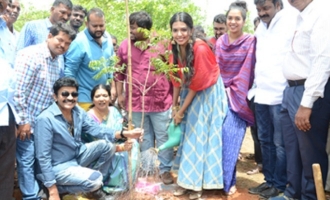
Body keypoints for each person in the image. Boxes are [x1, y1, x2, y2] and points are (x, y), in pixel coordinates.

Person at [34, 77, 144, 200]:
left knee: (107, 146)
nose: (70, 97)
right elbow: (43, 157)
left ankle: (94, 186)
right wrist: (52, 189)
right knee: (95, 180)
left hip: (76, 157)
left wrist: (125, 134)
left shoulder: (77, 111)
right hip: (58, 166)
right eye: (65, 94)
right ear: (55, 97)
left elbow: (97, 130)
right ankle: (51, 189)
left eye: (73, 94)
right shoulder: (45, 119)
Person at [270, 0, 330, 199]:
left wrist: (307, 103)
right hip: (290, 90)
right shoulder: (298, 17)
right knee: (292, 149)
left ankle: (310, 196)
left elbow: (323, 60)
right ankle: (292, 193)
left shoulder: (322, 13)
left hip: (309, 92)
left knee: (310, 151)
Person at [13, 23, 76, 200]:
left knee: (40, 159)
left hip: (43, 123)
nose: (62, 45)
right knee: (26, 160)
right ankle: (31, 197)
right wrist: (23, 121)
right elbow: (18, 91)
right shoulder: (31, 55)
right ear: (49, 36)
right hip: (26, 120)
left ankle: (41, 193)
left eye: (67, 43)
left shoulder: (57, 61)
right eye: (60, 40)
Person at [169, 12, 228, 199]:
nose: (179, 34)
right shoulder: (175, 48)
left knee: (198, 134)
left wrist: (181, 111)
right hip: (191, 90)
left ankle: (198, 184)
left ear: (191, 30)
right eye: (175, 30)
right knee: (189, 134)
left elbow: (197, 84)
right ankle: (188, 181)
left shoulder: (200, 48)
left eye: (183, 30)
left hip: (207, 93)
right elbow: (177, 79)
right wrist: (174, 106)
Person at [115, 11, 174, 185]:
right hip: (135, 102)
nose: (130, 30)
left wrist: (175, 98)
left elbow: (172, 71)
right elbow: (119, 72)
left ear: (144, 29)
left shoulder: (162, 44)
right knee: (144, 137)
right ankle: (148, 169)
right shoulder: (125, 45)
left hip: (160, 100)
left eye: (133, 27)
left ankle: (165, 170)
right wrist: (119, 94)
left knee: (163, 137)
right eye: (129, 27)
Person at [248, 0, 298, 198]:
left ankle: (279, 184)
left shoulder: (290, 21)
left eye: (266, 8)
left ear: (278, 5)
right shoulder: (261, 28)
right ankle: (268, 181)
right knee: (264, 140)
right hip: (261, 94)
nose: (262, 13)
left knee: (280, 144)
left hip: (279, 95)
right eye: (259, 9)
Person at [215, 1, 256, 196]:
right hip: (216, 97)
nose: (232, 22)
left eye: (237, 18)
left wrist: (231, 91)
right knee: (217, 140)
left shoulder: (250, 41)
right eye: (230, 18)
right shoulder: (220, 41)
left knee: (231, 138)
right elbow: (215, 71)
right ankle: (217, 181)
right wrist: (219, 91)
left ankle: (228, 182)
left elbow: (247, 71)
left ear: (243, 21)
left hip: (238, 99)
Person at [83, 84, 139, 193]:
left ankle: (128, 183)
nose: (102, 99)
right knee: (116, 154)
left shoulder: (114, 111)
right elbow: (96, 143)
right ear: (92, 99)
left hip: (119, 144)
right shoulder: (88, 117)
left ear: (110, 98)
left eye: (105, 95)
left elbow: (121, 130)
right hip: (99, 152)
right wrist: (119, 147)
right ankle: (110, 187)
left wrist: (131, 133)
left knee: (134, 144)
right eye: (98, 96)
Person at [64, 7, 116, 111]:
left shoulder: (108, 39)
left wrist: (113, 87)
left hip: (103, 97)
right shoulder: (78, 42)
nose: (98, 29)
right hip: (84, 98)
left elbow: (110, 66)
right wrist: (72, 96)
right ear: (87, 24)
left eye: (101, 25)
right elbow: (69, 71)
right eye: (94, 26)